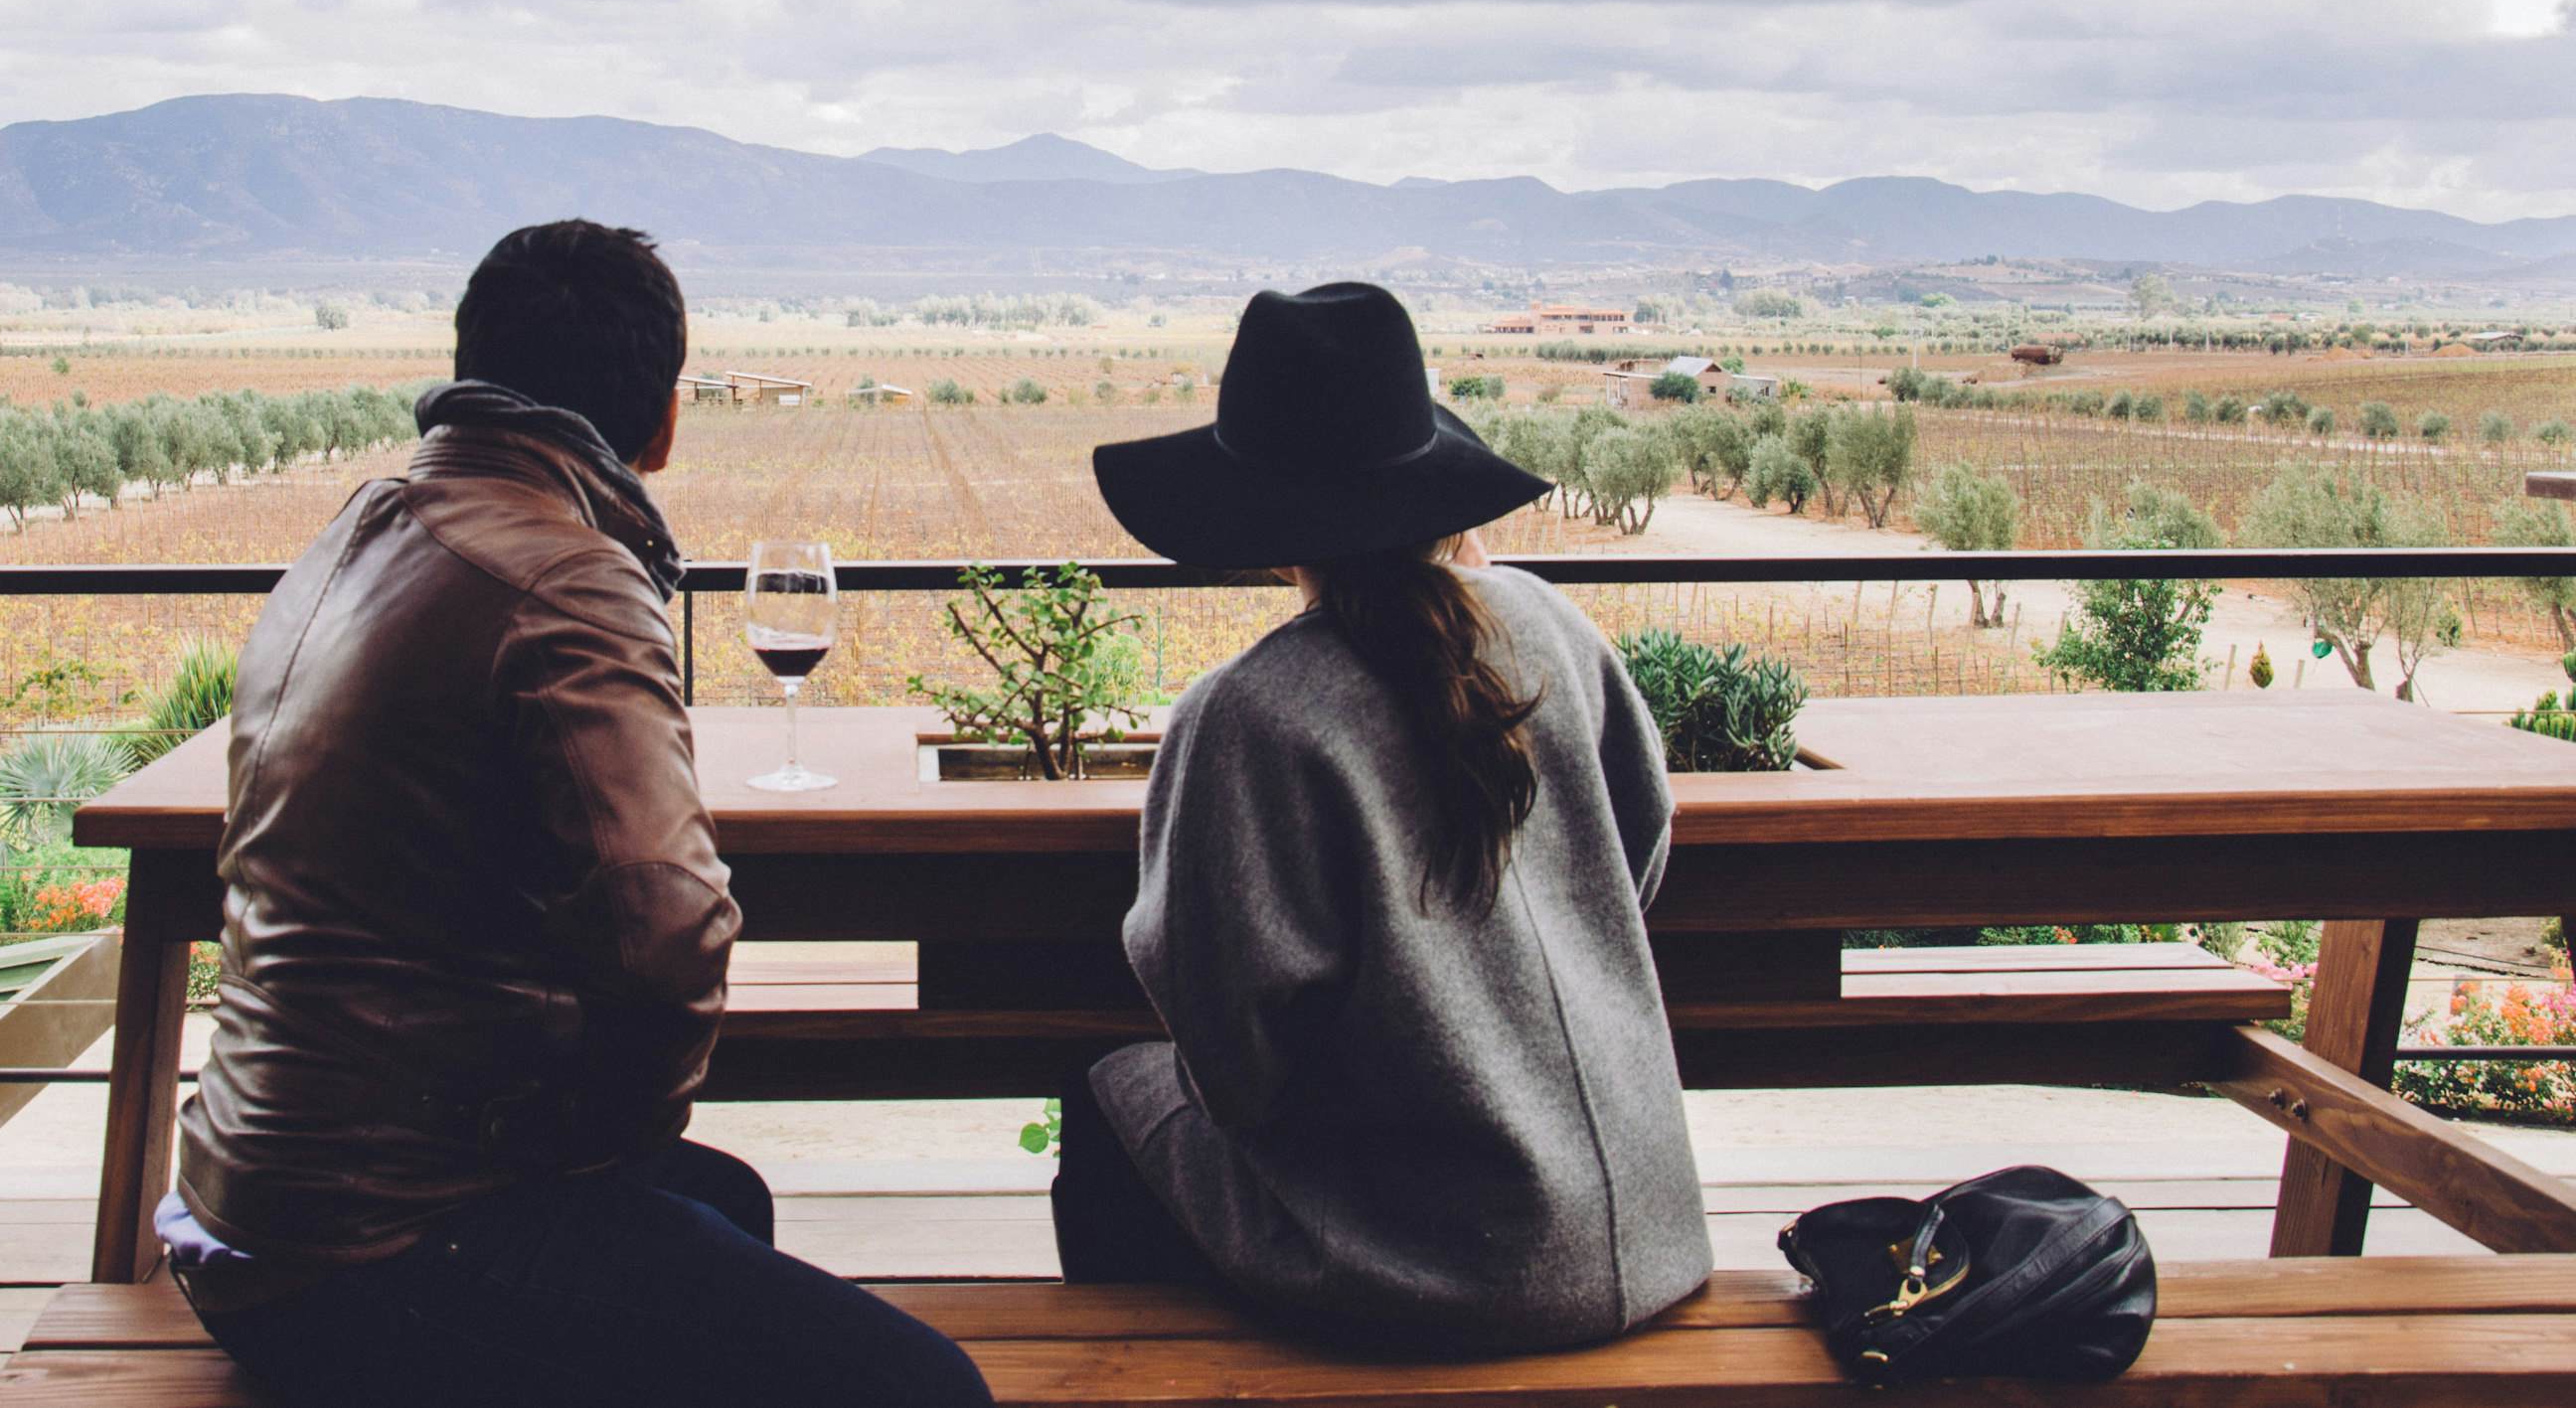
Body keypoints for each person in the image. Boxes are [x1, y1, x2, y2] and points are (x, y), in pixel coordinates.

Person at [163, 220, 988, 1408]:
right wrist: (597, 1140)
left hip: (250, 1198)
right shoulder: (565, 574)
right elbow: (669, 932)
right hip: (374, 1250)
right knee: (931, 1390)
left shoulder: (361, 525)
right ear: (661, 419)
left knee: (723, 1201)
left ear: (472, 367)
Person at [1065, 280, 1712, 1351]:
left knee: (1109, 1093)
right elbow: (1633, 868)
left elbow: (1235, 1060)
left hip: (1448, 1268)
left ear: (1264, 523)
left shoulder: (1249, 713)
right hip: (1650, 1231)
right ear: (1436, 491)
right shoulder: (1553, 626)